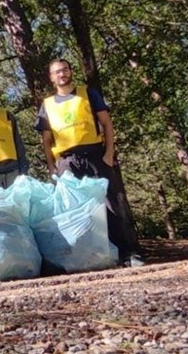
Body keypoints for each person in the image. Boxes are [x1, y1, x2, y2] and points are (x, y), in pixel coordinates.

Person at [34, 59, 143, 267]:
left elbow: (106, 123)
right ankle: (87, 257)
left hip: (94, 156)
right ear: (51, 77)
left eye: (65, 70)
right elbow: (46, 140)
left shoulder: (88, 93)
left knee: (109, 204)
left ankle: (128, 253)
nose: (62, 74)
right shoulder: (46, 105)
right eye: (57, 72)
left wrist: (109, 153)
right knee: (73, 209)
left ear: (70, 71)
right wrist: (51, 165)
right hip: (66, 161)